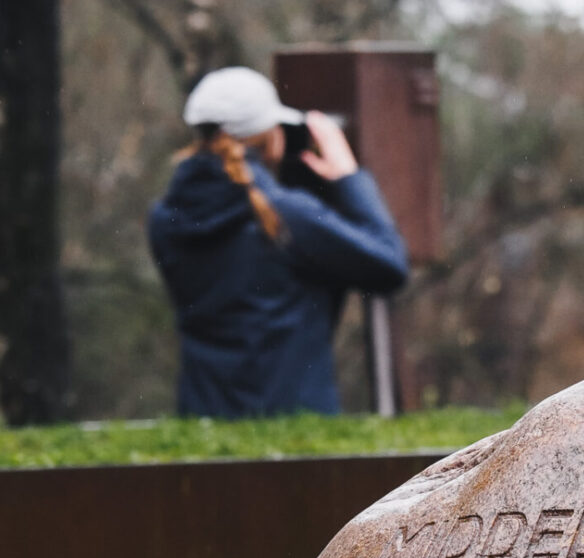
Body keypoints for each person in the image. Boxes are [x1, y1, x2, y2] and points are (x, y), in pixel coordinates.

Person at [148, 66, 408, 417]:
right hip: (295, 418)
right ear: (269, 134)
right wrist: (348, 178)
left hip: (204, 418)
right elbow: (389, 264)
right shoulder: (288, 216)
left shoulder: (164, 219)